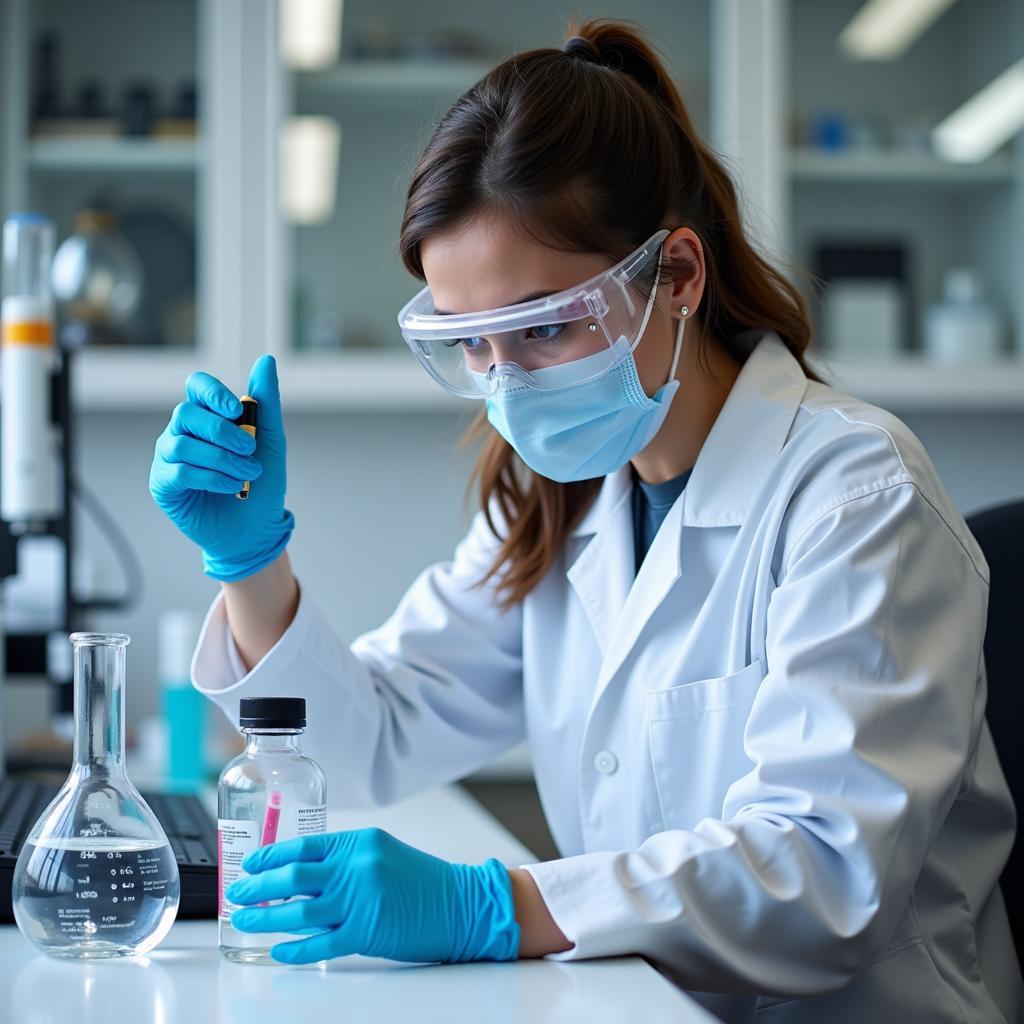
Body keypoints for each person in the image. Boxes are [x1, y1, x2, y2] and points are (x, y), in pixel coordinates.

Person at [148, 18, 1021, 1024]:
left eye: (546, 325)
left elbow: (827, 871)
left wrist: (495, 904)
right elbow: (369, 739)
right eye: (471, 343)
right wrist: (249, 559)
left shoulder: (854, 494)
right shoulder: (561, 507)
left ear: (678, 276)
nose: (505, 384)